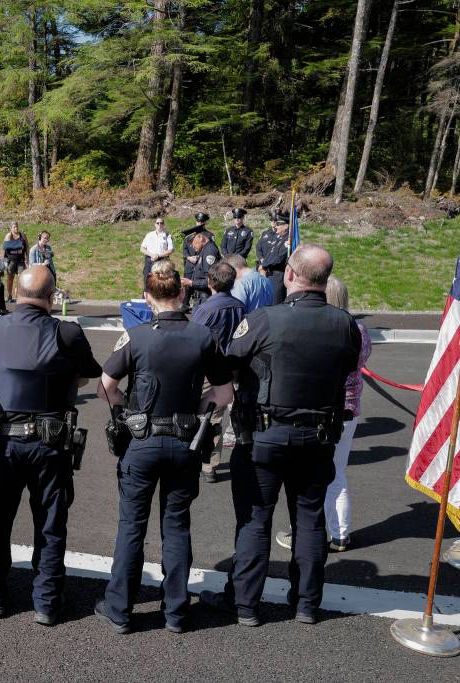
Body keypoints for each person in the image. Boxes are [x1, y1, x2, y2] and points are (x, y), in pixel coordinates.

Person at [200, 244, 361, 627]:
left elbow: (229, 363)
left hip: (265, 436)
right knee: (309, 520)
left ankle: (245, 604)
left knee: (255, 520)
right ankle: (306, 603)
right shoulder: (345, 324)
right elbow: (348, 366)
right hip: (318, 438)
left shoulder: (264, 319)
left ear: (289, 274)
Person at [95, 259, 233, 634]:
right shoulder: (203, 336)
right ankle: (175, 612)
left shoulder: (136, 336)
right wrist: (196, 411)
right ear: (182, 293)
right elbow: (223, 394)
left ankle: (120, 609)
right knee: (176, 525)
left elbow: (105, 388)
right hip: (184, 440)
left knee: (131, 526)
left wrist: (128, 409)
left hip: (141, 440)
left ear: (147, 297)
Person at [0, 266, 100, 626]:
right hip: (48, 442)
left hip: (0, 440)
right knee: (50, 522)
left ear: (15, 292)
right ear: (51, 297)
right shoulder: (66, 332)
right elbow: (88, 374)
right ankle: (47, 602)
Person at [275, 276, 371, 554]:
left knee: (309, 474)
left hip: (323, 408)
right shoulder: (359, 329)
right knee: (337, 473)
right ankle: (340, 533)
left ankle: (306, 531)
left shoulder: (324, 328)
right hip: (350, 409)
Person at [189, 261, 245, 484]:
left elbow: (192, 339)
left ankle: (201, 460)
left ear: (210, 281)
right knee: (216, 416)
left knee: (203, 414)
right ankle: (210, 464)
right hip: (231, 367)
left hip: (207, 369)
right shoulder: (240, 306)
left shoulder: (205, 308)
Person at [180, 229, 221, 310]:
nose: (191, 245)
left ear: (200, 238)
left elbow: (211, 280)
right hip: (201, 298)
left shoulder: (209, 251)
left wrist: (191, 283)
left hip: (205, 298)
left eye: (192, 241)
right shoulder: (204, 250)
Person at [256, 212, 290, 304]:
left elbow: (279, 258)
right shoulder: (278, 238)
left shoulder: (287, 240)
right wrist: (262, 265)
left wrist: (263, 266)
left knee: (275, 302)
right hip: (269, 273)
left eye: (278, 224)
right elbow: (269, 255)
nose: (276, 226)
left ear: (286, 226)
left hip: (278, 276)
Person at [140, 218, 174, 293]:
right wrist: (152, 255)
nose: (159, 225)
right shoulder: (149, 235)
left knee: (160, 282)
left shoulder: (167, 235)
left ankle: (159, 300)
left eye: (161, 223)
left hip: (162, 262)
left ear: (164, 225)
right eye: (157, 223)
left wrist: (158, 255)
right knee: (147, 282)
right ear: (155, 224)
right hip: (149, 260)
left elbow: (171, 250)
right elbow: (142, 249)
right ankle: (146, 299)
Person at [1, 222, 28, 303]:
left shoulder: (22, 236)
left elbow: (26, 247)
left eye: (17, 226)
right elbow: (5, 247)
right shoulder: (8, 236)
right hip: (11, 260)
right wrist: (18, 246)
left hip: (21, 260)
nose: (16, 228)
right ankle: (9, 295)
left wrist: (28, 258)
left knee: (20, 278)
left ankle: (18, 295)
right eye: (14, 227)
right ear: (11, 228)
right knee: (10, 278)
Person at [182, 212, 213, 278]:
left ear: (205, 222)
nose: (200, 223)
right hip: (190, 265)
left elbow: (211, 250)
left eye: (202, 221)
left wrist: (199, 257)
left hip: (202, 265)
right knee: (187, 285)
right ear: (196, 221)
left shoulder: (209, 235)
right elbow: (185, 249)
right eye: (198, 221)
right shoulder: (189, 234)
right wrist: (189, 257)